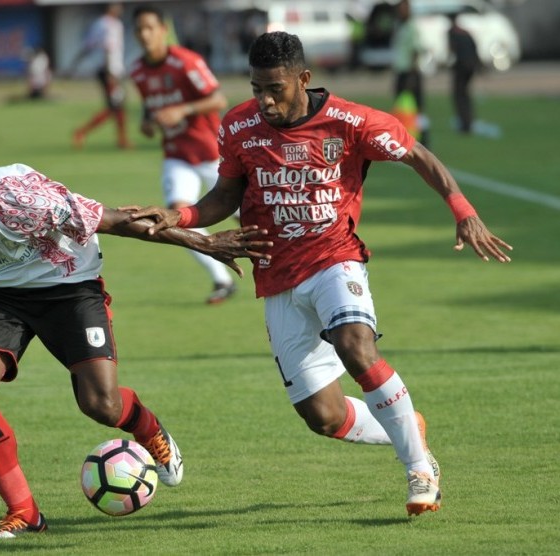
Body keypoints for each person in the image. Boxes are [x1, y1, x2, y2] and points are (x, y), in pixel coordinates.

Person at [128, 31, 513, 516]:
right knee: (324, 417)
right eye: (256, 89)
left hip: (335, 258)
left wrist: (463, 209)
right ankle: (408, 426)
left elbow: (416, 153)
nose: (265, 100)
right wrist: (177, 217)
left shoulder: (351, 122)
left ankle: (419, 469)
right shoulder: (238, 126)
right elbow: (223, 198)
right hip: (275, 277)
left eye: (275, 88)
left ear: (303, 79)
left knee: (356, 345)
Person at [0, 152, 271, 539]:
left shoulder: (24, 200)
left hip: (70, 281)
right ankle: (25, 513)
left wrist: (205, 241)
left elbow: (116, 221)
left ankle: (149, 430)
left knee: (100, 404)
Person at [130, 5, 236, 304]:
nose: (145, 35)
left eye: (150, 28)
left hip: (213, 153)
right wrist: (148, 123)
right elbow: (150, 110)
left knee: (251, 212)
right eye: (139, 30)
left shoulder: (186, 62)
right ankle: (222, 279)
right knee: (174, 218)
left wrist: (183, 109)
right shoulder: (137, 70)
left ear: (164, 30)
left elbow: (218, 97)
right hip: (177, 156)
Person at [69, 3, 131, 149]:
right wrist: (111, 72)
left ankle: (122, 140)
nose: (121, 9)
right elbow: (109, 48)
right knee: (114, 107)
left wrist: (75, 63)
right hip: (111, 71)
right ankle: (81, 132)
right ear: (111, 8)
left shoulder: (97, 24)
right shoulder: (112, 25)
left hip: (103, 70)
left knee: (118, 107)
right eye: (118, 6)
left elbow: (87, 46)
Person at [391, 0, 430, 146]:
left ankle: (425, 139)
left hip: (410, 73)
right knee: (400, 107)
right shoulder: (398, 25)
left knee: (418, 109)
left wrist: (412, 75)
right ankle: (403, 137)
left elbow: (416, 50)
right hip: (401, 72)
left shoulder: (411, 27)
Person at [447, 12, 481, 134]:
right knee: (465, 94)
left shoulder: (452, 32)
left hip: (461, 66)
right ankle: (469, 122)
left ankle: (465, 124)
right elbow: (475, 47)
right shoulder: (465, 32)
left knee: (459, 95)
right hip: (470, 66)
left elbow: (452, 51)